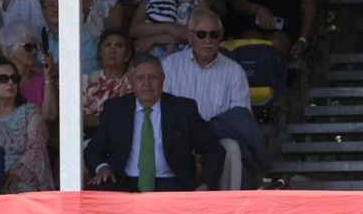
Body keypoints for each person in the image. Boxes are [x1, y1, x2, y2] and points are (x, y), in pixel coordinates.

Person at [84, 54, 226, 192]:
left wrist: (206, 184)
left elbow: (213, 149)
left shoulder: (183, 109)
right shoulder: (115, 109)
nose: (147, 83)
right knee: (99, 196)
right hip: (122, 181)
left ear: (162, 79)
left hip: (171, 183)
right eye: (140, 78)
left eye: (153, 77)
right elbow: (93, 149)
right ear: (130, 81)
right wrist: (102, 167)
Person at [163, 11, 253, 190]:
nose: (208, 40)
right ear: (190, 37)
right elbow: (161, 108)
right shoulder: (171, 65)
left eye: (214, 34)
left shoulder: (233, 71)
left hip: (216, 137)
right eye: (202, 34)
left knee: (232, 149)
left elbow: (241, 116)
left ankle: (229, 206)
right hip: (178, 136)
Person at [0, 57, 53, 193]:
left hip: (26, 176)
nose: (10, 82)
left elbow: (37, 149)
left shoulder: (30, 111)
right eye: (3, 79)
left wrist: (15, 174)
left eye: (14, 78)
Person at [83, 29, 134, 129]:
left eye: (119, 46)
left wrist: (96, 120)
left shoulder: (135, 82)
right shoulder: (86, 80)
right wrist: (111, 120)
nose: (112, 50)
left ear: (127, 55)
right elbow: (77, 118)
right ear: (101, 53)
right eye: (108, 45)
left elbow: (131, 118)